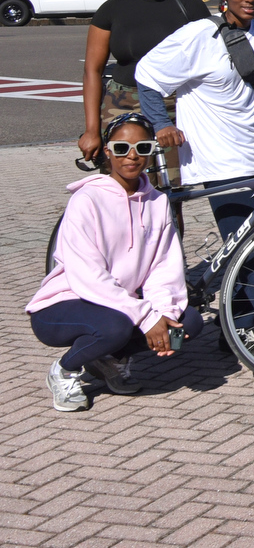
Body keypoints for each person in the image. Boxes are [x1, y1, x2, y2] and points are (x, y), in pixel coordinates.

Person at [134, 0, 254, 363]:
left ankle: (237, 331)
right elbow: (147, 74)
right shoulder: (199, 36)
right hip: (216, 162)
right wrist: (160, 124)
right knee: (247, 248)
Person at [28, 112, 203, 412]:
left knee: (187, 325)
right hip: (63, 303)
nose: (132, 157)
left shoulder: (158, 202)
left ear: (151, 151)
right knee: (117, 327)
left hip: (119, 305)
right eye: (121, 149)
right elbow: (88, 276)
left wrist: (163, 314)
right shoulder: (87, 200)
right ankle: (65, 369)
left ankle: (109, 360)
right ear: (108, 151)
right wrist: (146, 319)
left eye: (142, 148)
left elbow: (164, 267)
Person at [81, 0, 211, 164]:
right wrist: (91, 130)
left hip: (175, 105)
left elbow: (208, 62)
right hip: (122, 103)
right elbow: (92, 70)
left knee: (170, 185)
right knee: (123, 179)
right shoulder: (112, 9)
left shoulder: (190, 7)